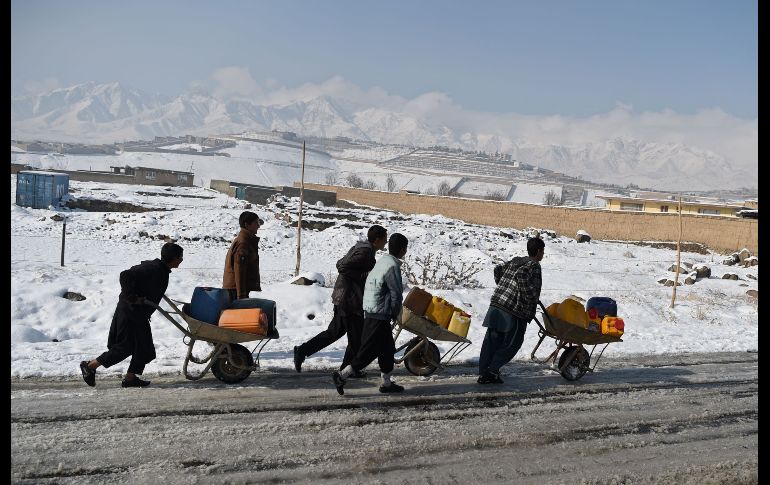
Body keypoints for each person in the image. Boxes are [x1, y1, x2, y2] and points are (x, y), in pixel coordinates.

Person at [79, 243, 184, 388]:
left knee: (145, 348)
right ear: (174, 258)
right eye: (181, 257)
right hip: (129, 313)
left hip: (139, 316)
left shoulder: (161, 270)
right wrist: (132, 297)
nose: (182, 260)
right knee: (125, 347)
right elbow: (125, 275)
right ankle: (90, 365)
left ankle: (130, 378)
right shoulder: (152, 268)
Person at [293, 225, 388, 375]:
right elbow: (343, 266)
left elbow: (342, 264)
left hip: (345, 297)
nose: (386, 242)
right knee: (355, 337)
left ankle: (304, 351)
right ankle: (347, 370)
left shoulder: (362, 248)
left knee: (336, 332)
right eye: (384, 239)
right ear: (377, 240)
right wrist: (366, 275)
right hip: (349, 300)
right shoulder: (365, 252)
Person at [332, 233, 408, 395]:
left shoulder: (383, 262)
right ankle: (341, 375)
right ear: (403, 250)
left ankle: (387, 383)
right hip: (379, 313)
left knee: (387, 349)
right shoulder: (393, 267)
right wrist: (396, 313)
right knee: (367, 351)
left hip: (372, 309)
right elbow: (396, 294)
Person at [477, 237, 545, 384]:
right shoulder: (534, 265)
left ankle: (484, 372)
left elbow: (498, 269)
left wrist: (504, 287)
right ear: (538, 251)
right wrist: (530, 296)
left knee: (492, 340)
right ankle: (492, 370)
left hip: (496, 304)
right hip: (513, 310)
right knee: (513, 343)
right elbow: (521, 276)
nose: (543, 254)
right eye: (543, 251)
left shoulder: (516, 260)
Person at [223, 211, 263, 301]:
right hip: (235, 290)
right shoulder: (243, 243)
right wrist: (241, 296)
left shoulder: (245, 240)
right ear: (247, 225)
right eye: (256, 223)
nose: (258, 226)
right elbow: (239, 270)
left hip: (236, 289)